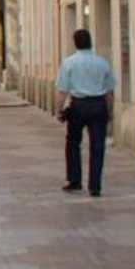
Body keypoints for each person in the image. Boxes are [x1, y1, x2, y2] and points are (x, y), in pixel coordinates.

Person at [55, 29, 116, 197]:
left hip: (78, 106)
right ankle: (95, 186)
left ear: (75, 43)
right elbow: (109, 92)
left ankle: (75, 180)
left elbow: (62, 91)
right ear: (91, 42)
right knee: (98, 146)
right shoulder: (102, 63)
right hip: (98, 105)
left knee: (73, 143)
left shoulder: (69, 63)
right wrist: (110, 112)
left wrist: (59, 110)